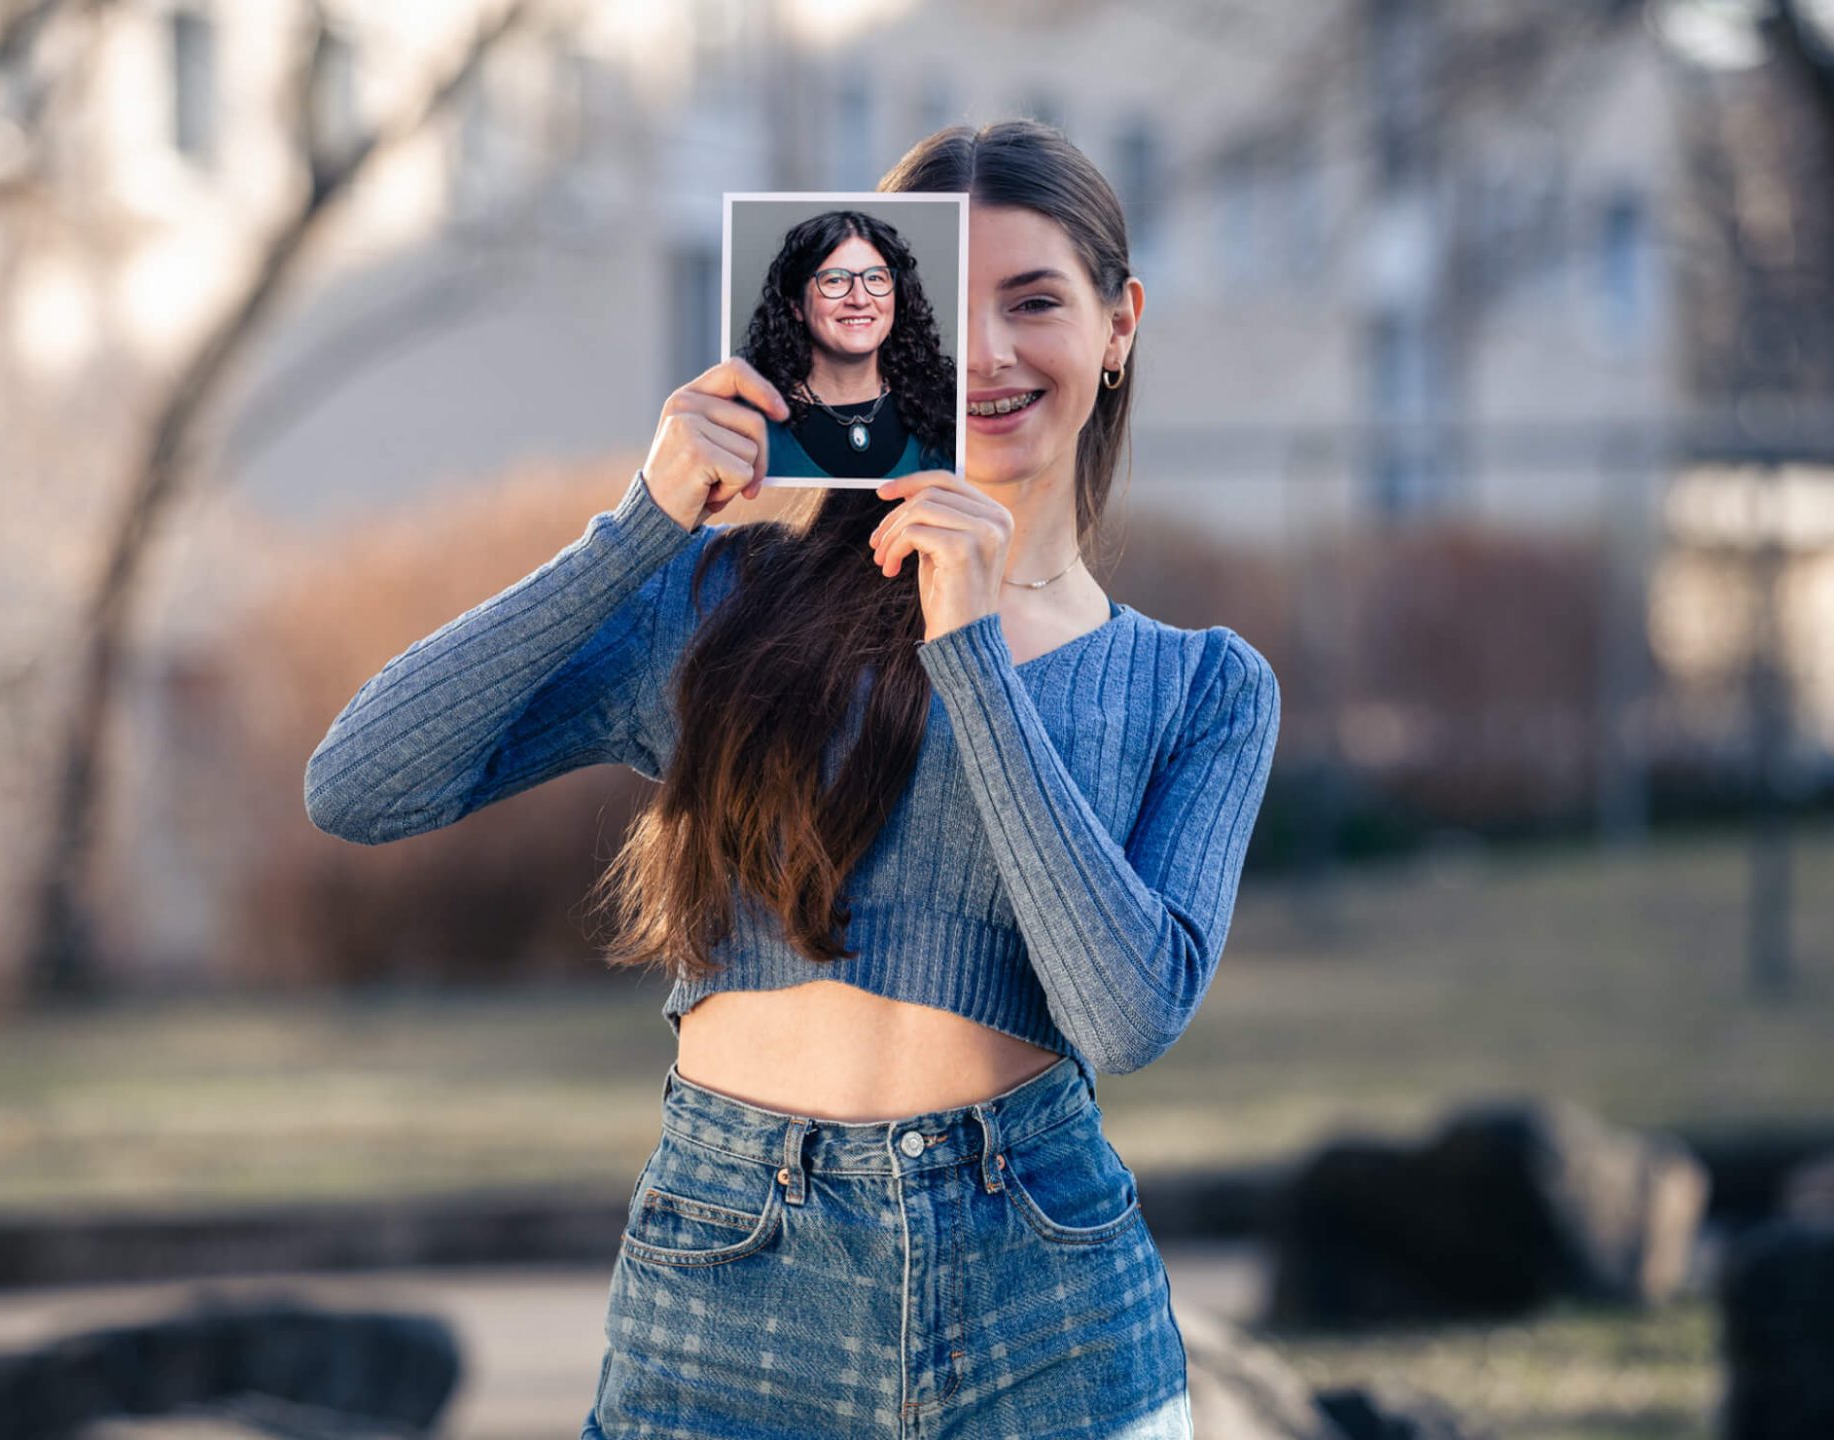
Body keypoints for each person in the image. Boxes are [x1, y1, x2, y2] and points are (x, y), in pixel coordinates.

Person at [303, 119, 1280, 1438]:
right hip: (728, 1286)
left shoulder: (1201, 686)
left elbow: (1122, 1021)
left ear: (1120, 325)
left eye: (1036, 300)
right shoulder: (723, 608)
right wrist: (640, 526)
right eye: (944, 309)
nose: (988, 354)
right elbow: (361, 784)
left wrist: (974, 655)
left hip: (1047, 1302)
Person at [741, 208, 958, 480]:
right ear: (796, 305)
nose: (859, 299)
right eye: (834, 280)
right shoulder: (748, 421)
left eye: (875, 278)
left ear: (897, 297)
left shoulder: (948, 406)